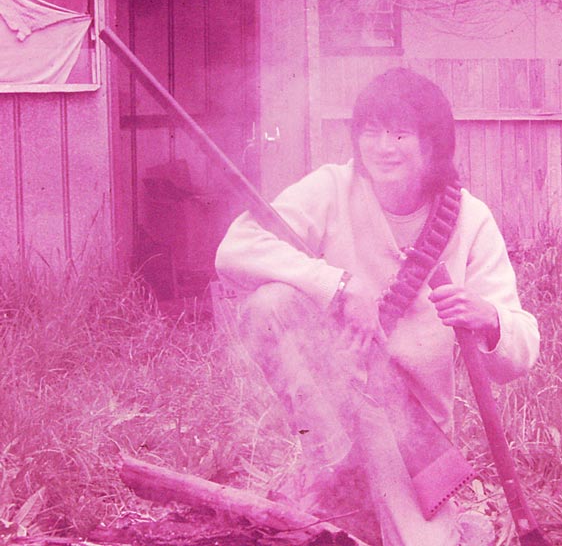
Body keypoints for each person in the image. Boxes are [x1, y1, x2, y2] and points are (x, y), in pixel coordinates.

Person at [215, 67, 541, 545]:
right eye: (371, 131)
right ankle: (329, 476)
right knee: (271, 303)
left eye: (400, 133)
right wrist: (338, 286)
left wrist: (489, 319)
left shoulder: (468, 219)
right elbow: (236, 249)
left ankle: (412, 515)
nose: (383, 147)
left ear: (432, 144)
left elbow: (520, 353)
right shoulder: (331, 188)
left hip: (411, 429)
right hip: (337, 408)